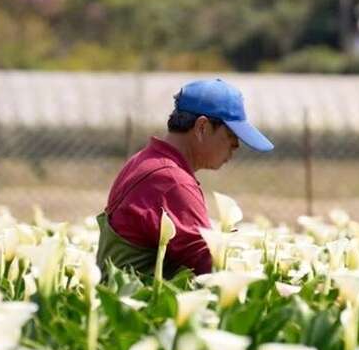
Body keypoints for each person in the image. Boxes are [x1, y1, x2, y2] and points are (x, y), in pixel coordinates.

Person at [96, 78, 274, 277]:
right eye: (232, 137)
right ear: (202, 128)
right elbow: (209, 266)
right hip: (142, 305)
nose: (236, 147)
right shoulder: (171, 181)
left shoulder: (144, 160)